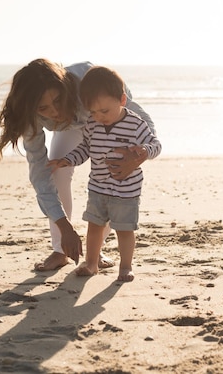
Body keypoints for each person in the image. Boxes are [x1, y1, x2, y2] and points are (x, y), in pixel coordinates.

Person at [0, 59, 155, 271]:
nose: (54, 112)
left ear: (64, 88)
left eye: (57, 100)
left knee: (113, 177)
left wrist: (137, 157)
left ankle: (94, 250)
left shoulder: (90, 81)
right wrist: (64, 227)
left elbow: (141, 121)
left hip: (104, 120)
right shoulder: (30, 116)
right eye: (44, 108)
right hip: (70, 128)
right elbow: (39, 174)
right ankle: (60, 250)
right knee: (55, 172)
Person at [49, 66, 161, 281]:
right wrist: (67, 160)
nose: (99, 117)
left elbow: (155, 145)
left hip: (126, 191)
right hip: (98, 188)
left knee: (124, 231)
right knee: (94, 228)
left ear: (121, 100)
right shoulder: (93, 125)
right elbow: (85, 149)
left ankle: (125, 267)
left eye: (104, 111)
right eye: (93, 112)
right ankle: (91, 264)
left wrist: (145, 151)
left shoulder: (135, 125)